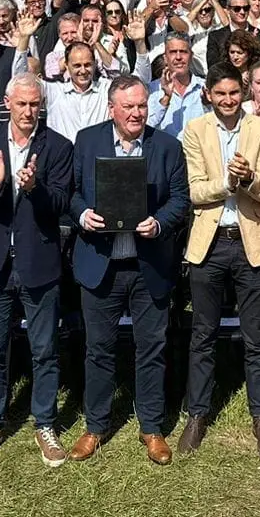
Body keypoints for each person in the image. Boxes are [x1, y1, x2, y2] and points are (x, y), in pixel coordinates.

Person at [67, 75, 191, 465]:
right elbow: (70, 193)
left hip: (147, 264)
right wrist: (82, 214)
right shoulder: (87, 142)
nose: (137, 113)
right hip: (100, 264)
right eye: (129, 107)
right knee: (98, 349)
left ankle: (151, 427)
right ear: (112, 108)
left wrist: (159, 223)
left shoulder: (167, 147)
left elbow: (180, 200)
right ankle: (96, 425)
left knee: (151, 348)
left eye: (142, 106)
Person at [0, 75, 73, 467]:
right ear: (7, 103)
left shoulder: (57, 146)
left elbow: (61, 202)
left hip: (38, 263)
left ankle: (45, 422)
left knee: (44, 351)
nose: (28, 112)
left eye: (35, 105)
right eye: (21, 104)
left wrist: (35, 188)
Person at [178, 64, 260, 458]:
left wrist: (250, 177)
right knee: (203, 334)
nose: (227, 100)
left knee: (257, 336)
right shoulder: (196, 130)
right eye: (220, 93)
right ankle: (197, 413)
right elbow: (195, 191)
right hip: (210, 241)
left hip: (251, 240)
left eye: (234, 93)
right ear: (208, 94)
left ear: (244, 94)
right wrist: (228, 183)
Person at [40, 41, 109, 142]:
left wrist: (140, 46)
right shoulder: (54, 91)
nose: (83, 71)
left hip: (95, 155)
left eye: (87, 65)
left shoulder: (105, 89)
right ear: (67, 66)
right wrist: (23, 44)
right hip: (64, 156)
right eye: (77, 66)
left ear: (94, 64)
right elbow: (22, 83)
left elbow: (136, 82)